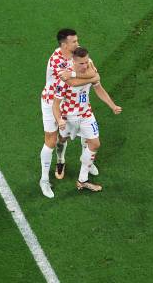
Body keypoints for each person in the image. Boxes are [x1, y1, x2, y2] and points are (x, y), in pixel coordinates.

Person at [52, 47, 122, 193]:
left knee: (95, 144)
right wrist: (59, 120)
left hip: (85, 114)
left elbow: (99, 88)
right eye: (82, 63)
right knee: (62, 140)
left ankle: (82, 179)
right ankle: (60, 161)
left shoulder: (88, 67)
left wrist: (112, 105)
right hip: (68, 117)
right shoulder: (63, 79)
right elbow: (55, 105)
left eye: (86, 62)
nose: (86, 66)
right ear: (73, 62)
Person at [39, 29, 99, 198]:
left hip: (73, 100)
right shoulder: (56, 60)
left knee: (85, 130)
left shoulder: (77, 56)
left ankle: (86, 164)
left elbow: (91, 70)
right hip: (53, 102)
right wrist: (92, 79)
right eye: (73, 42)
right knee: (51, 140)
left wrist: (89, 76)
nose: (77, 44)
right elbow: (72, 81)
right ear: (64, 45)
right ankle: (46, 177)